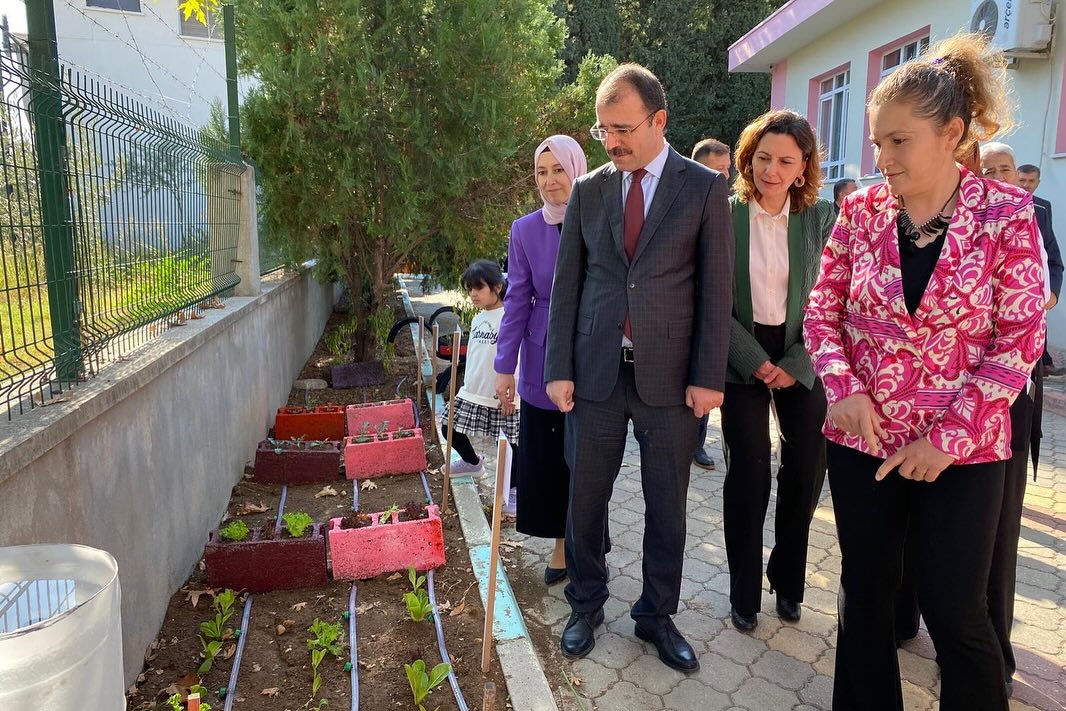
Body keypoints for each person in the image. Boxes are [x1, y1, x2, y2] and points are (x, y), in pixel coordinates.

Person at [804, 33, 1046, 711]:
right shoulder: (860, 211)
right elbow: (821, 313)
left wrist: (948, 438)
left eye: (898, 142)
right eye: (877, 142)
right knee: (867, 595)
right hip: (864, 441)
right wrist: (843, 388)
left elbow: (1019, 337)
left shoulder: (1006, 214)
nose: (880, 158)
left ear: (951, 133)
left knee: (953, 607)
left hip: (961, 450)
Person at [544, 63, 734, 673]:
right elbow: (567, 285)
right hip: (595, 374)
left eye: (622, 128)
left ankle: (656, 613)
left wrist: (709, 376)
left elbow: (715, 292)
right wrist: (558, 368)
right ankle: (586, 603)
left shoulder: (703, 189)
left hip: (671, 380)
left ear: (659, 121)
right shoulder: (589, 189)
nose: (611, 142)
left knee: (667, 504)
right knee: (585, 498)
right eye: (603, 130)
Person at [721, 110, 834, 632]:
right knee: (748, 475)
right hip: (740, 350)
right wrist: (754, 360)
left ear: (803, 166)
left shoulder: (821, 218)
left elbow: (837, 299)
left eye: (785, 160)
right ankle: (743, 592)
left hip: (802, 349)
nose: (771, 169)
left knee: (807, 469)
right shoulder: (724, 216)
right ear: (748, 156)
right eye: (763, 157)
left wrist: (795, 362)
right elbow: (711, 299)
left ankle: (788, 580)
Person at [494, 135, 588, 586]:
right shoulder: (525, 229)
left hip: (591, 351)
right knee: (548, 458)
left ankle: (587, 542)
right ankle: (560, 544)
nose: (550, 181)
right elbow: (516, 299)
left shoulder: (599, 217)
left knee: (588, 458)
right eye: (541, 172)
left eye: (558, 169)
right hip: (540, 355)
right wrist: (503, 367)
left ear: (577, 168)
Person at [442, 260, 521, 513]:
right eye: (470, 289)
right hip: (472, 390)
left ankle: (513, 491)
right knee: (447, 427)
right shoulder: (477, 320)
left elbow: (516, 355)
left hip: (503, 394)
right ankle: (473, 463)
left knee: (513, 444)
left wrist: (513, 390)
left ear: (497, 287)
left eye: (479, 288)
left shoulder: (511, 316)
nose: (473, 294)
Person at [689, 137, 733, 470]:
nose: (726, 176)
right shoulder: (682, 204)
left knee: (705, 379)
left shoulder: (728, 207)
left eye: (728, 169)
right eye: (719, 170)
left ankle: (698, 443)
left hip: (716, 316)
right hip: (682, 317)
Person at [1010, 159, 1065, 375]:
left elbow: (1052, 255)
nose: (1026, 185)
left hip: (1034, 292)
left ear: (1038, 182)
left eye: (1031, 181)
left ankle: (1044, 364)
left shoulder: (1042, 207)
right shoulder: (995, 205)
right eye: (1022, 180)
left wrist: (1053, 292)